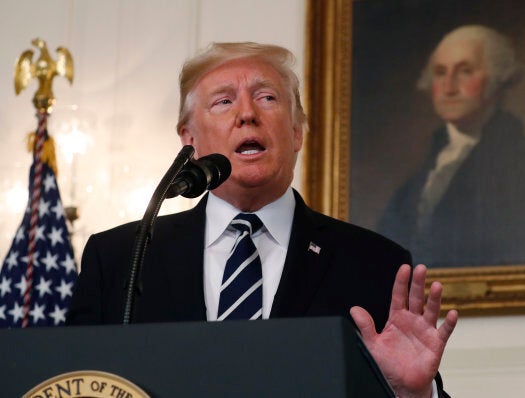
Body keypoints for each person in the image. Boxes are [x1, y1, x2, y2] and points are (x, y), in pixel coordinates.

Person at [66, 42, 458, 398]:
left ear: (296, 131)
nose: (247, 114)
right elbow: (70, 383)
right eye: (223, 102)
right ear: (190, 141)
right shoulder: (119, 258)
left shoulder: (376, 263)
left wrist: (409, 395)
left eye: (267, 97)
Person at [379, 25, 525, 268]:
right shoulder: (412, 187)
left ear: (497, 78)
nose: (449, 87)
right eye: (440, 72)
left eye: (465, 71)